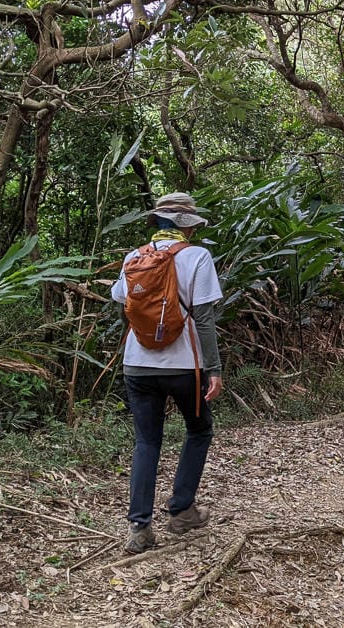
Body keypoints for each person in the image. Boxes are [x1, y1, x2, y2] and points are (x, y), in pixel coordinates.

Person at [111, 192, 224, 554]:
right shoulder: (197, 256)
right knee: (199, 429)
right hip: (183, 366)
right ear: (187, 226)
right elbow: (204, 320)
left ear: (158, 222)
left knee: (146, 441)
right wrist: (214, 369)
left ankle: (139, 528)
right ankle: (181, 511)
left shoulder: (134, 258)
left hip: (137, 365)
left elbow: (123, 306)